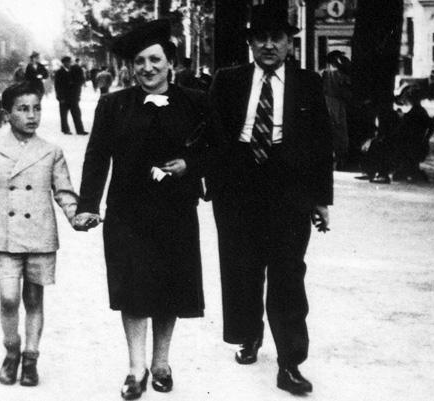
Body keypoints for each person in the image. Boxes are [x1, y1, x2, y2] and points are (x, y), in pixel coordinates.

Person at [72, 19, 211, 400]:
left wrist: (190, 165)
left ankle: (162, 363)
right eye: (139, 61)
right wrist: (87, 205)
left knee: (170, 286)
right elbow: (96, 157)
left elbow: (216, 151)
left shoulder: (196, 102)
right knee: (132, 288)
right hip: (127, 214)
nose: (147, 68)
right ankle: (136, 368)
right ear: (131, 67)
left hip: (175, 211)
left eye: (154, 59)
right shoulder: (113, 105)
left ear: (171, 62)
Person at [207, 4, 333, 395]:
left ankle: (290, 362)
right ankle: (249, 335)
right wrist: (215, 186)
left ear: (289, 44)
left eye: (276, 38)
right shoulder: (227, 81)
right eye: (260, 37)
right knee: (242, 270)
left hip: (288, 187)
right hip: (238, 187)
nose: (268, 45)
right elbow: (213, 134)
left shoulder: (308, 83)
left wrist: (320, 198)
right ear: (249, 42)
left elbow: (321, 142)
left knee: (288, 274)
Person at [0, 82, 78, 387]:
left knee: (34, 298)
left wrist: (77, 214)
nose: (31, 115)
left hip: (40, 235)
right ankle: (11, 350)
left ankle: (31, 359)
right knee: (8, 298)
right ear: (7, 114)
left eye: (36, 108)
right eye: (22, 109)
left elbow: (65, 191)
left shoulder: (51, 151)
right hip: (5, 235)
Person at [391, 87, 433, 181]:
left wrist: (400, 117)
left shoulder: (416, 112)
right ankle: (409, 169)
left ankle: (405, 168)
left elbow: (406, 127)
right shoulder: (420, 111)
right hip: (417, 143)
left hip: (411, 144)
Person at [322, 50, 352, 170]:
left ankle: (333, 158)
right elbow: (345, 90)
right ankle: (341, 159)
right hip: (337, 103)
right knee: (340, 132)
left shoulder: (324, 73)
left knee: (330, 131)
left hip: (327, 102)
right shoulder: (340, 74)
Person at [53, 56, 88, 135]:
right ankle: (65, 129)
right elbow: (57, 86)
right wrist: (59, 97)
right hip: (64, 97)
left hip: (73, 97)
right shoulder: (59, 72)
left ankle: (80, 130)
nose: (68, 64)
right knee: (64, 115)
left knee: (77, 114)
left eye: (69, 62)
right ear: (63, 63)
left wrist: (78, 94)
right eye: (66, 62)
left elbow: (80, 81)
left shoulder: (74, 70)